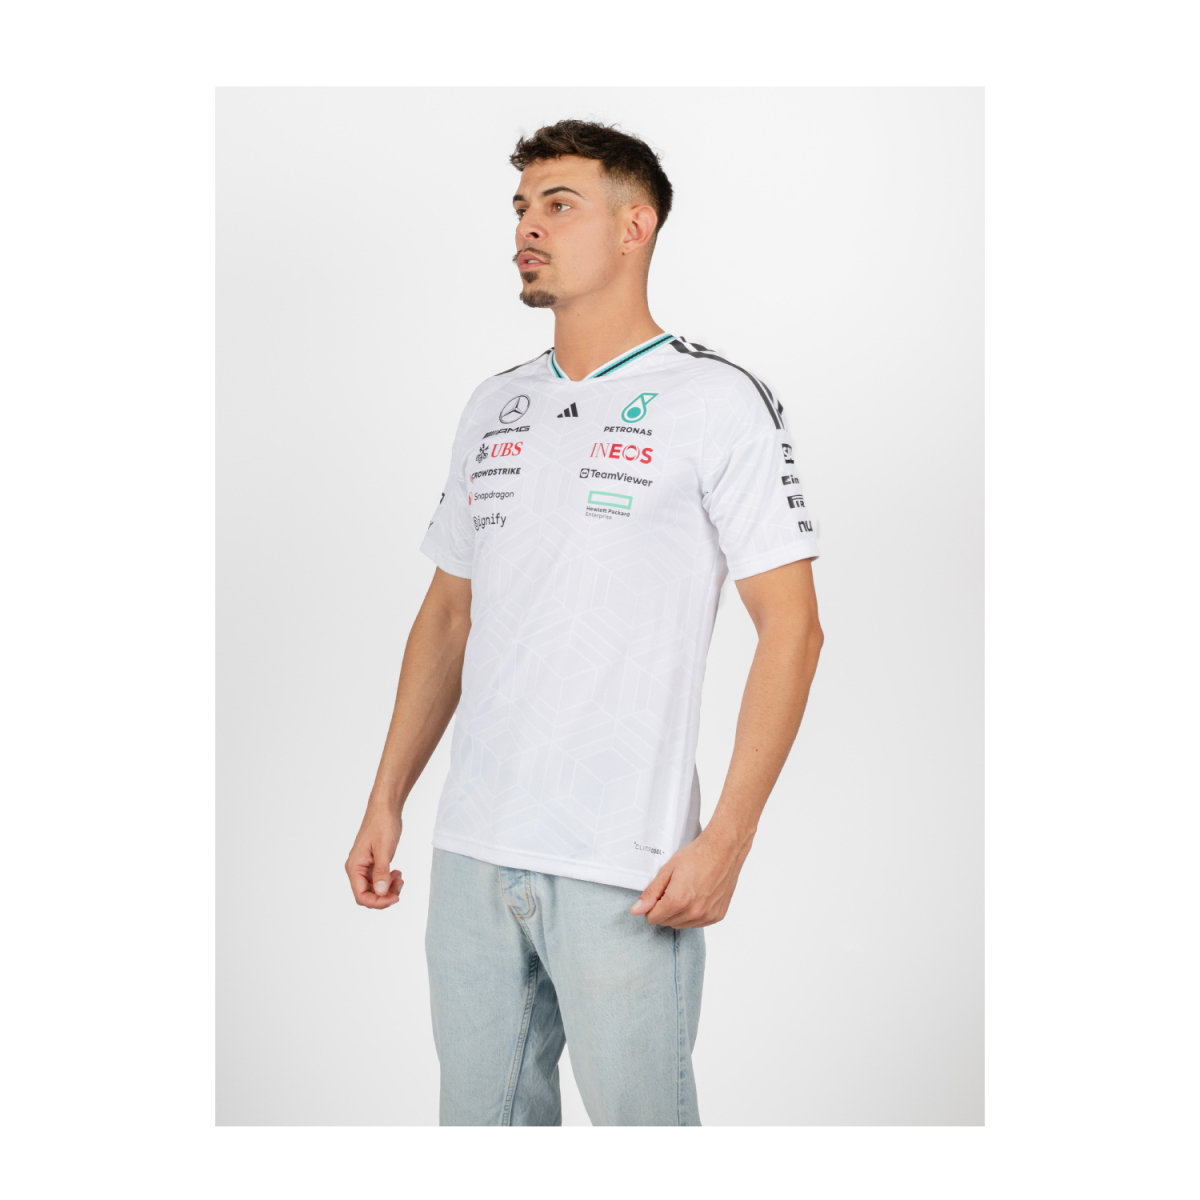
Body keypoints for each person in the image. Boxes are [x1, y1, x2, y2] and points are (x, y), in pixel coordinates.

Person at [345, 119, 824, 1126]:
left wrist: (727, 841)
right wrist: (387, 798)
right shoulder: (495, 404)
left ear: (635, 226)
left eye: (559, 205)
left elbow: (792, 628)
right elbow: (448, 615)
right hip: (473, 852)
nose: (528, 227)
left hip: (625, 861)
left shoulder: (718, 400)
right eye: (522, 207)